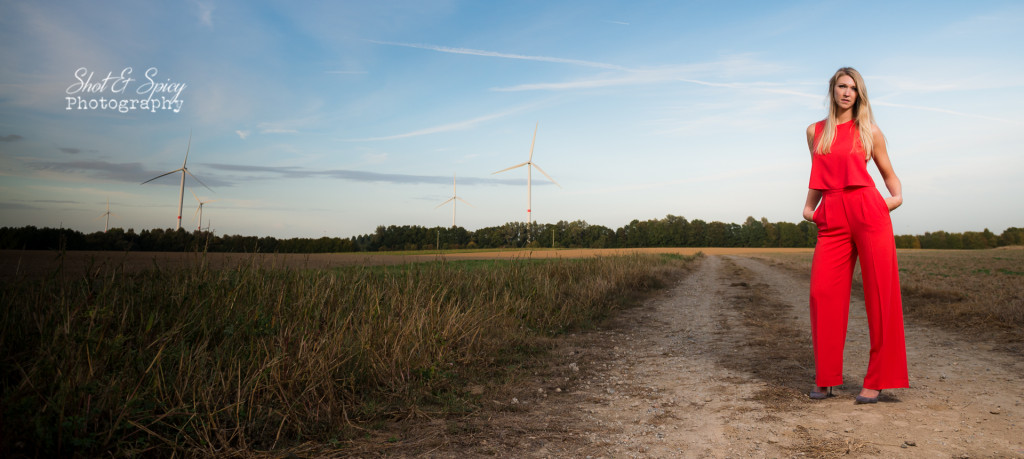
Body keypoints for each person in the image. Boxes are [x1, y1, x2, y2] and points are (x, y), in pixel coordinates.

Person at [802, 67, 909, 404]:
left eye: (854, 88)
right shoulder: (814, 131)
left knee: (881, 295)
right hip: (831, 213)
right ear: (832, 90)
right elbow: (818, 173)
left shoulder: (869, 131)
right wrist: (809, 209)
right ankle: (826, 377)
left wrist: (888, 202)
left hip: (868, 210)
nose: (847, 92)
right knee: (822, 294)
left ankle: (877, 380)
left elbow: (891, 178)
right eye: (842, 86)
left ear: (859, 95)